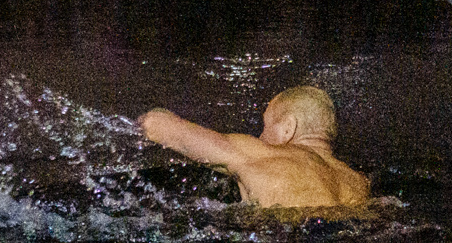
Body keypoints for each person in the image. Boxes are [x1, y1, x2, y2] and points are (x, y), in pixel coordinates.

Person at [139, 84, 371, 209]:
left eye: (265, 126)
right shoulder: (358, 181)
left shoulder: (263, 154)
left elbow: (158, 126)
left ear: (288, 128)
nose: (260, 137)